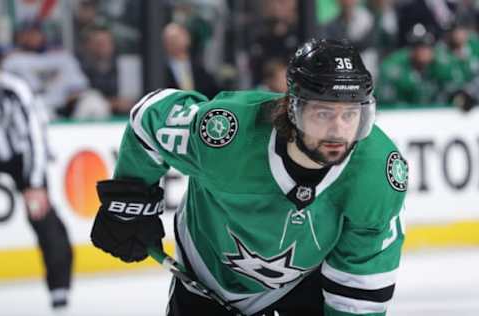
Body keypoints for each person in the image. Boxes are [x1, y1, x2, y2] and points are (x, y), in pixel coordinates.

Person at [91, 39, 408, 316]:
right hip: (208, 272)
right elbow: (148, 118)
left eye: (350, 114)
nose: (339, 130)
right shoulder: (228, 135)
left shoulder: (377, 173)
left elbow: (359, 286)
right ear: (293, 109)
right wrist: (130, 203)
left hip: (305, 281)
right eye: (324, 113)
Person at [0, 70, 73, 309]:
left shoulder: (13, 89)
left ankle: (59, 289)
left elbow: (35, 137)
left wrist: (35, 183)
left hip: (20, 159)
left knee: (43, 216)